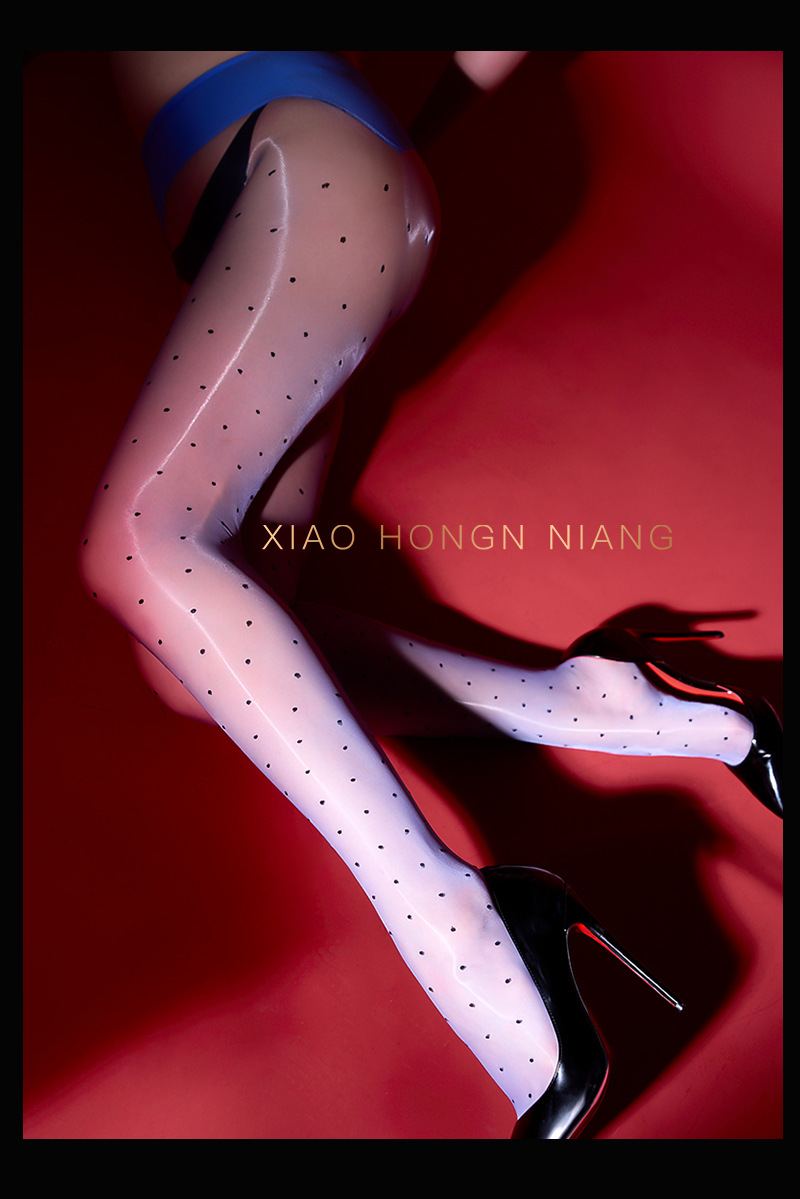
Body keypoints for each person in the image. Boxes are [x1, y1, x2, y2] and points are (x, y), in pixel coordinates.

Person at [78, 51, 782, 1139]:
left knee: (138, 542)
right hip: (289, 214)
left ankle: (458, 916)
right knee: (196, 660)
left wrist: (354, 162)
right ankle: (599, 701)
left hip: (300, 177)